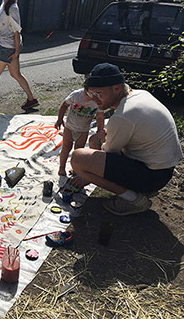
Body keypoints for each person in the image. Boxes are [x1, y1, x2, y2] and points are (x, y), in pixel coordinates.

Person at [70, 63, 182, 216]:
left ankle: (134, 199)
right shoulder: (140, 94)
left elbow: (109, 154)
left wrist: (86, 175)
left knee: (78, 158)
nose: (95, 100)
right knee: (94, 142)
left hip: (153, 176)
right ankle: (138, 189)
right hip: (162, 169)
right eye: (91, 94)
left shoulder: (123, 115)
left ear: (116, 88)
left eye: (98, 94)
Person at [55, 85, 105, 177]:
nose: (91, 98)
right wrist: (60, 119)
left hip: (83, 130)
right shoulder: (76, 95)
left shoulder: (98, 101)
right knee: (66, 148)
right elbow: (64, 105)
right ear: (85, 90)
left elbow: (100, 116)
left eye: (95, 94)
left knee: (78, 151)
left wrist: (100, 130)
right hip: (70, 127)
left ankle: (75, 168)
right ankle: (61, 167)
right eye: (89, 94)